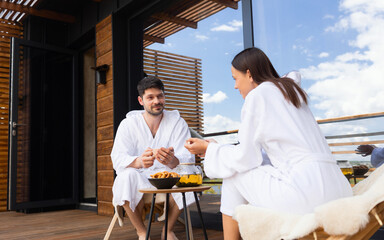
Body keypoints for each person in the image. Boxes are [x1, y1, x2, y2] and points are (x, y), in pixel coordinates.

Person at [184, 47, 353, 240]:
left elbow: (245, 159)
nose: (235, 86)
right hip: (339, 189)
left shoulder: (258, 96)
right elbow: (262, 157)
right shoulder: (290, 92)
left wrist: (209, 149)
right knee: (234, 166)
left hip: (308, 193)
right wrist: (217, 148)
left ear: (249, 73)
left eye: (235, 78)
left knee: (232, 172)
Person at [111, 76, 194, 240]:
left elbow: (186, 157)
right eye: (150, 97)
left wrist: (172, 160)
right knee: (125, 176)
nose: (157, 101)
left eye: (160, 96)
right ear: (141, 100)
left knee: (188, 174)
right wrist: (139, 161)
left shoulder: (177, 122)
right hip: (140, 176)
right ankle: (142, 232)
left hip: (168, 176)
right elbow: (117, 157)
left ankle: (168, 230)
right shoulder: (128, 124)